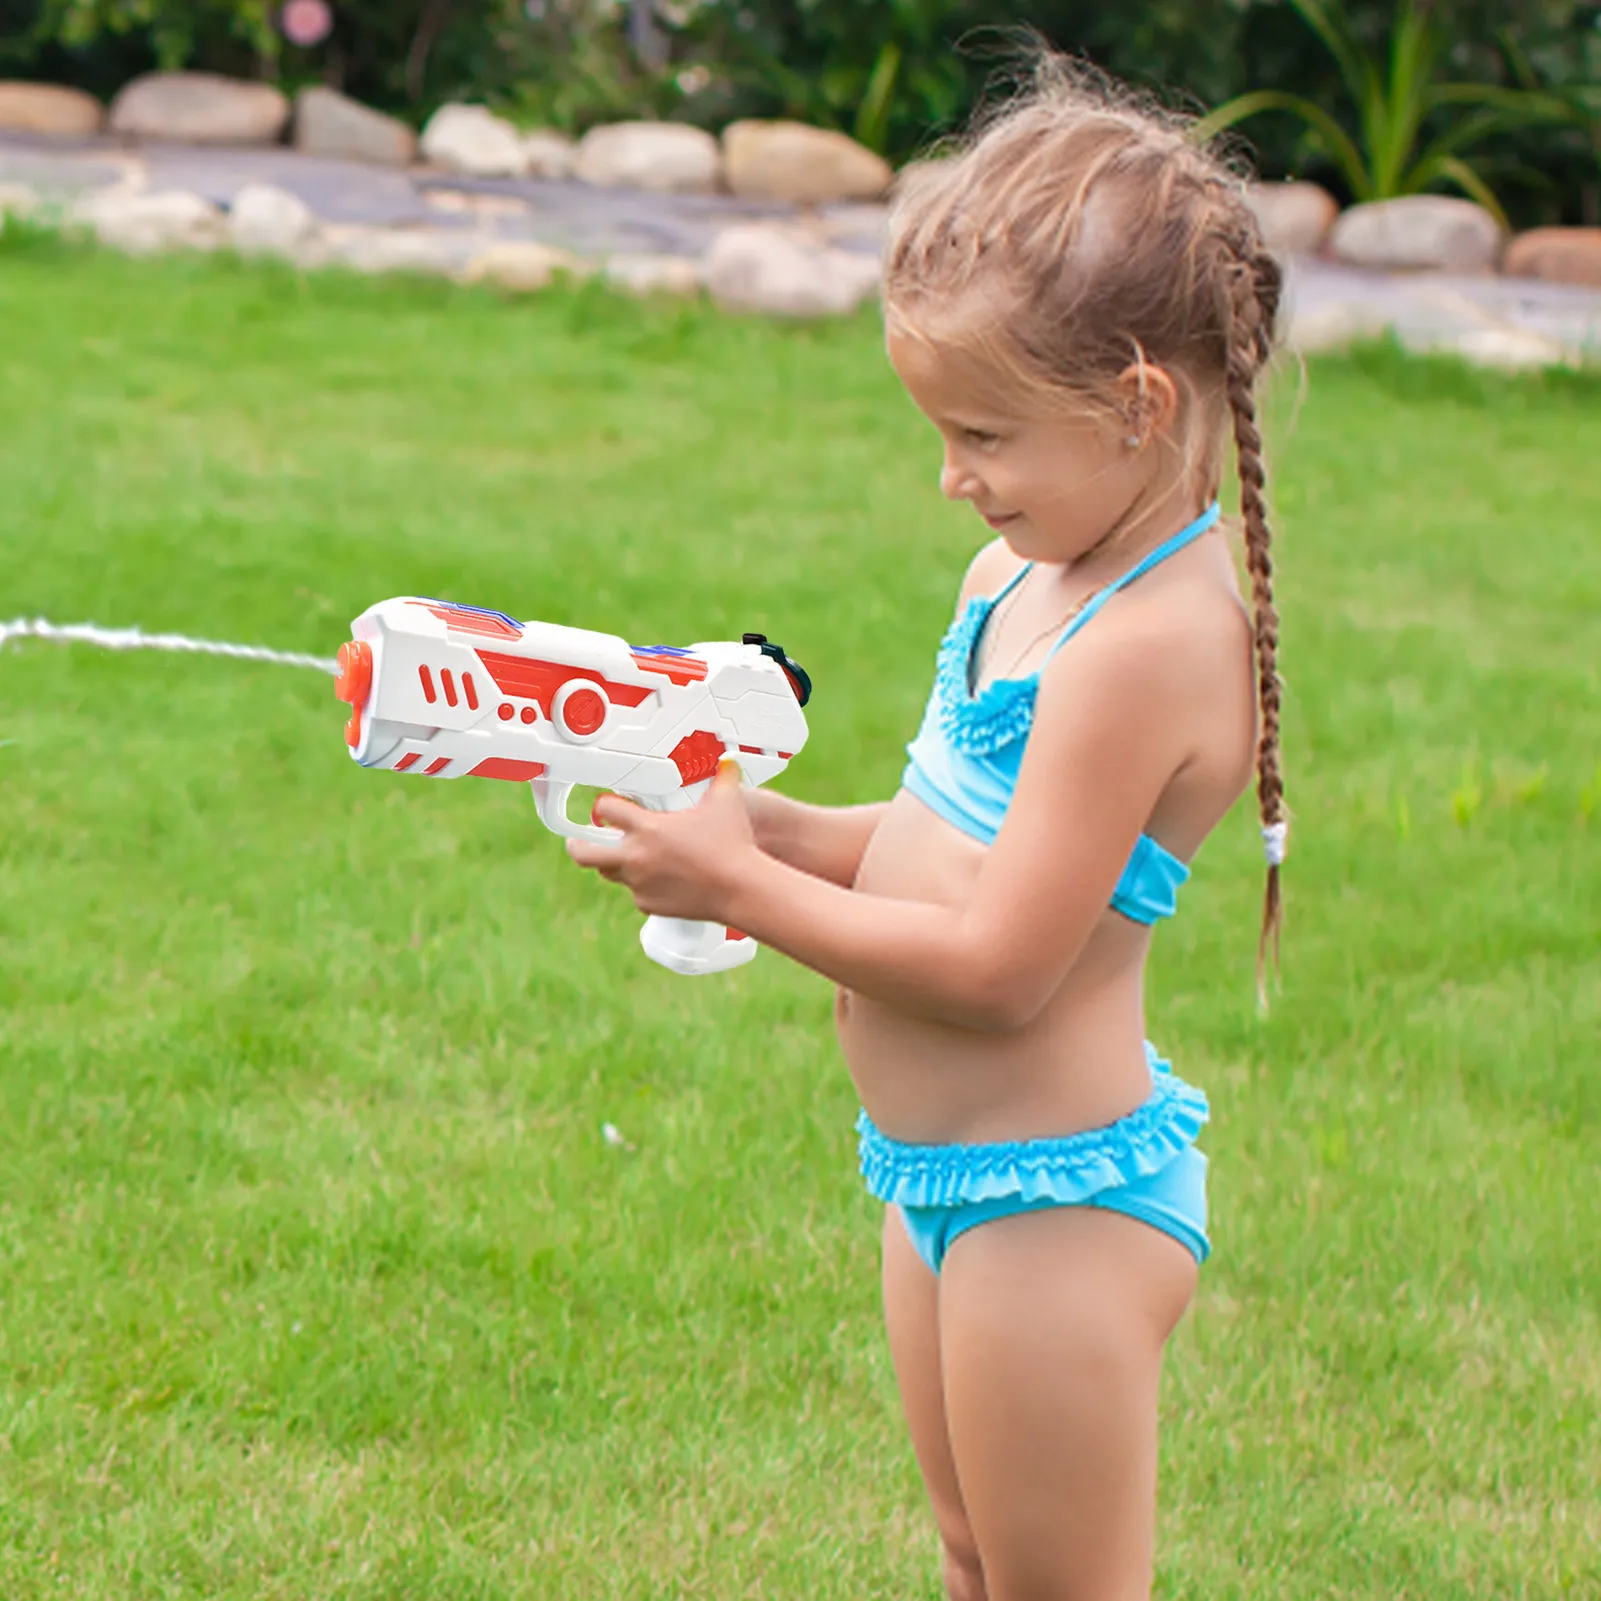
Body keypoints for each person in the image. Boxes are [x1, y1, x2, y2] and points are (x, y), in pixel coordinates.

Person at [567, 53, 1288, 1601]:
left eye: (984, 437)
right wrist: (748, 823)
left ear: (1138, 404)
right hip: (937, 1180)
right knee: (972, 1558)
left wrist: (740, 892)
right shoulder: (1018, 584)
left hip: (1060, 1202)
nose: (952, 479)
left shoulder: (1153, 646)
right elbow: (935, 837)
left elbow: (996, 966)